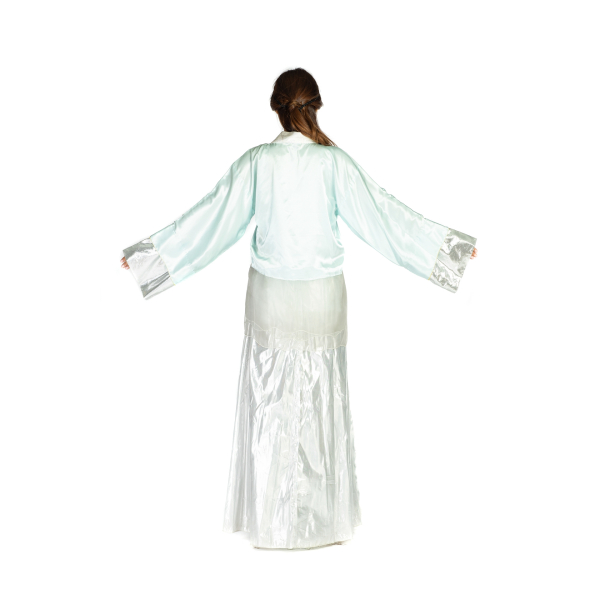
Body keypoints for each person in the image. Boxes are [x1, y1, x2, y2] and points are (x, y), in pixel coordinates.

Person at [120, 67, 478, 551]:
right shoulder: (333, 163)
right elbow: (385, 215)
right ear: (315, 106)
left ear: (276, 108)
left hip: (272, 298)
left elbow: (210, 218)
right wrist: (450, 251)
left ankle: (271, 519)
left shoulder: (258, 162)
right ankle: (322, 522)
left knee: (271, 404)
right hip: (321, 300)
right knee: (321, 404)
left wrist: (150, 258)